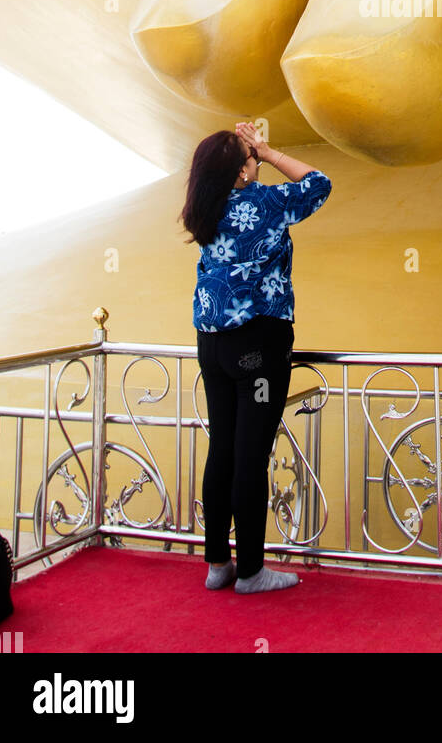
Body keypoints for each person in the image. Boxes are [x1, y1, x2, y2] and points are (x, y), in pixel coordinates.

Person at [179, 120, 332, 594]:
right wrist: (269, 151)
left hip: (213, 344)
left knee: (222, 448)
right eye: (249, 159)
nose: (256, 162)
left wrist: (251, 158)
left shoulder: (204, 208)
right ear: (243, 171)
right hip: (258, 349)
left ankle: (217, 565)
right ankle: (251, 571)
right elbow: (319, 184)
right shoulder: (262, 204)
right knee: (251, 455)